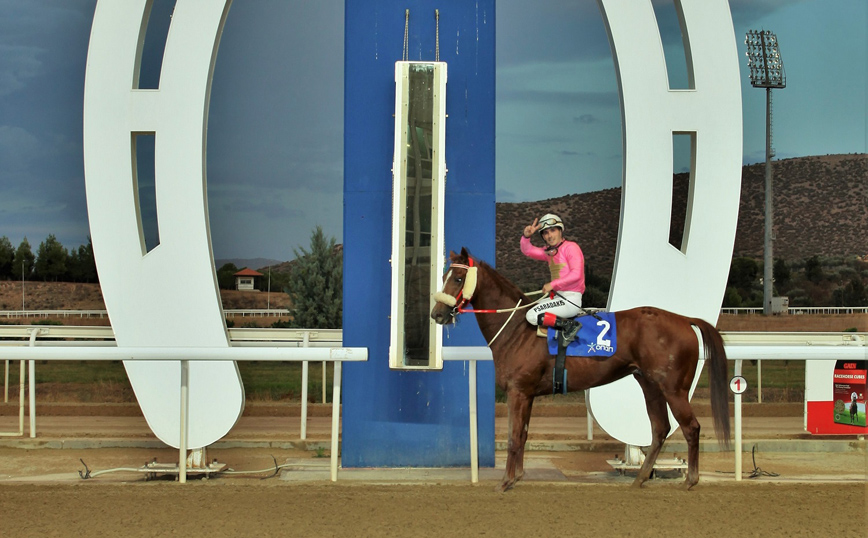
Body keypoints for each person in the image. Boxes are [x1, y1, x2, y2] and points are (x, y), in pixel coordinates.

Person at [520, 213, 586, 337]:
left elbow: (576, 274)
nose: (550, 235)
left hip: (571, 299)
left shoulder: (571, 247)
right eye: (545, 233)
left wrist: (552, 284)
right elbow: (527, 251)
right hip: (558, 298)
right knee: (528, 310)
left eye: (553, 230)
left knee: (531, 315)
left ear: (560, 230)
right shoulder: (549, 252)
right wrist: (526, 237)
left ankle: (569, 327)